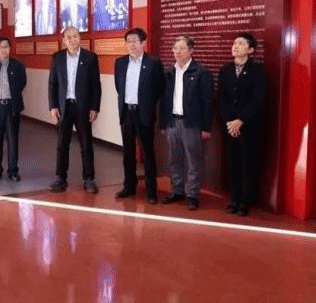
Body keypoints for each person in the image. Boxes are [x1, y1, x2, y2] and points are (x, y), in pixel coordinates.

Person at [160, 36, 213, 210]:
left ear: (191, 51)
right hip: (172, 122)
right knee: (174, 159)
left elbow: (208, 101)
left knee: (193, 160)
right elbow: (164, 100)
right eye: (175, 48)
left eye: (182, 48)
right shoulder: (169, 72)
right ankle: (177, 190)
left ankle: (192, 194)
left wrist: (206, 127)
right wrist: (163, 123)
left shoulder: (201, 72)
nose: (177, 52)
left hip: (191, 124)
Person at [48, 27, 102, 194]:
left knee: (86, 144)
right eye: (69, 37)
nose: (72, 40)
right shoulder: (57, 57)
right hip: (64, 107)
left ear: (80, 38)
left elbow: (96, 85)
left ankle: (89, 178)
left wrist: (94, 107)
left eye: (75, 36)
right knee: (62, 144)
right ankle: (60, 177)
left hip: (83, 107)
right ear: (64, 40)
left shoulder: (90, 57)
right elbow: (52, 84)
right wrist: (53, 106)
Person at [113, 28, 164, 203]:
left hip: (144, 113)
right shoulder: (120, 63)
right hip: (126, 112)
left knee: (148, 152)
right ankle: (129, 186)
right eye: (128, 41)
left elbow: (159, 88)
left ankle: (151, 191)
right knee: (128, 152)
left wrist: (147, 103)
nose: (131, 45)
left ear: (143, 43)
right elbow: (119, 87)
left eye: (135, 41)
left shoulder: (153, 62)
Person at [219, 33, 267, 216]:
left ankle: (245, 201)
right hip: (230, 126)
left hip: (249, 126)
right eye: (234, 43)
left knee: (248, 164)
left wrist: (240, 120)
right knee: (233, 163)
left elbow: (258, 99)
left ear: (250, 49)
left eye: (240, 43)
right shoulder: (226, 70)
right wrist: (229, 121)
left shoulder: (258, 71)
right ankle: (234, 198)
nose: (235, 46)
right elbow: (221, 98)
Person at [0, 36, 27, 181]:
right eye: (1, 47)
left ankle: (13, 171)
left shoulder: (18, 65)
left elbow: (22, 83)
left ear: (10, 49)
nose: (4, 50)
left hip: (12, 107)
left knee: (13, 140)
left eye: (6, 47)